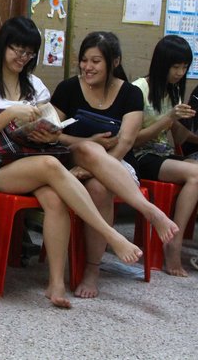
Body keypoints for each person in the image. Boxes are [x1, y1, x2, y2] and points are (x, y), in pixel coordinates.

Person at [0, 16, 142, 309]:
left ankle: (56, 283)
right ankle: (110, 234)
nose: (22, 57)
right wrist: (11, 114)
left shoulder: (35, 86)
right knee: (50, 166)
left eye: (29, 52)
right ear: (3, 46)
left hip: (32, 158)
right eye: (17, 49)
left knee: (56, 199)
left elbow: (52, 134)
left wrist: (48, 133)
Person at [50, 31, 178, 297]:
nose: (87, 67)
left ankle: (92, 270)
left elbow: (126, 142)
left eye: (96, 61)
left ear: (114, 62)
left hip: (117, 163)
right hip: (73, 159)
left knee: (99, 187)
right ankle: (149, 211)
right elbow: (52, 133)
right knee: (88, 147)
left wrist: (94, 167)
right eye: (84, 60)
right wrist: (87, 142)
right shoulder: (68, 88)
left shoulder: (130, 93)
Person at [131, 35, 198, 276]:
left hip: (165, 154)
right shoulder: (139, 89)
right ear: (162, 64)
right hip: (141, 156)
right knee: (197, 175)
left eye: (184, 67)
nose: (180, 73)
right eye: (176, 67)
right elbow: (133, 140)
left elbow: (180, 140)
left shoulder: (173, 92)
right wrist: (169, 117)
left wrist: (196, 121)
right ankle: (174, 242)